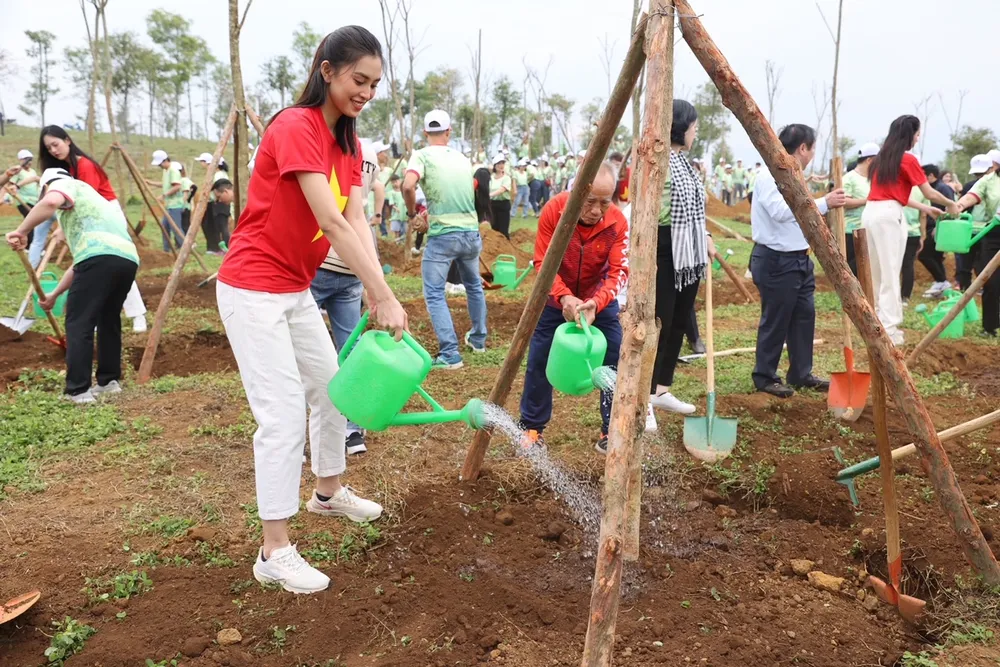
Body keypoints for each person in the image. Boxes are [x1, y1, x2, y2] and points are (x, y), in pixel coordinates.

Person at [216, 25, 406, 594]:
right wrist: (381, 294)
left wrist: (378, 285)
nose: (365, 93)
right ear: (327, 71)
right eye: (358, 80)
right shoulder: (295, 126)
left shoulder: (349, 144)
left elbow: (355, 220)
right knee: (280, 415)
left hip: (295, 288)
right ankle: (274, 550)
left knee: (330, 388)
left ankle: (327, 493)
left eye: (374, 85)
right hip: (253, 287)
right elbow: (328, 220)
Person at [519, 162, 628, 454]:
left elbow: (619, 272)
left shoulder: (617, 222)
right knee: (540, 357)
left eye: (604, 202)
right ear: (575, 191)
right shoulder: (554, 211)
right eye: (589, 201)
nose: (596, 210)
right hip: (555, 298)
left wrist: (598, 302)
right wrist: (564, 297)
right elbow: (542, 262)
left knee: (616, 357)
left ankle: (612, 429)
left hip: (598, 300)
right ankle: (531, 428)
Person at [6, 168, 139, 403]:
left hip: (99, 258)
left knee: (79, 321)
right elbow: (82, 263)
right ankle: (108, 382)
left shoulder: (64, 184)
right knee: (108, 320)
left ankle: (78, 390)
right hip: (126, 259)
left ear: (45, 187)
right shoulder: (94, 201)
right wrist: (55, 294)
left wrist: (22, 230)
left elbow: (51, 202)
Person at [750, 124, 844, 398]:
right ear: (803, 148)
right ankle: (765, 376)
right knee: (776, 319)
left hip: (800, 259)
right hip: (776, 261)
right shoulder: (769, 175)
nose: (812, 154)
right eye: (812, 149)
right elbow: (781, 212)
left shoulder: (794, 175)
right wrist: (824, 203)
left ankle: (801, 373)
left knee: (804, 317)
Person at [309, 138, 385, 457]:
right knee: (350, 349)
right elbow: (363, 206)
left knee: (304, 351)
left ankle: (303, 433)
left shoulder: (326, 144)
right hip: (353, 261)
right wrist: (374, 279)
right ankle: (353, 430)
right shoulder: (368, 154)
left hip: (319, 257)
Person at [646, 100, 715, 431]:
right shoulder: (657, 160)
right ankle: (643, 396)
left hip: (689, 251)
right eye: (694, 127)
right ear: (680, 127)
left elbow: (696, 210)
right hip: (664, 247)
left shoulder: (686, 164)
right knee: (658, 323)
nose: (695, 132)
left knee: (678, 323)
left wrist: (706, 236)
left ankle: (661, 389)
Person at [40, 125, 148, 333]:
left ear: (67, 140)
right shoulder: (68, 170)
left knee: (116, 260)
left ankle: (138, 315)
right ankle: (98, 316)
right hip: (88, 216)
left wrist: (63, 229)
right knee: (92, 267)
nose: (53, 150)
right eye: (49, 148)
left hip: (107, 214)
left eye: (56, 144)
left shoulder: (85, 166)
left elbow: (89, 200)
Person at [402, 109, 488, 369]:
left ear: (425, 133)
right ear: (449, 132)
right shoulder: (462, 158)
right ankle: (478, 340)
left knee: (434, 293)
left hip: (443, 238)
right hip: (470, 233)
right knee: (473, 286)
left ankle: (450, 354)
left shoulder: (421, 155)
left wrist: (412, 214)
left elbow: (408, 185)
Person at [862, 115, 957, 345]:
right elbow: (929, 192)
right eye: (917, 134)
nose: (917, 139)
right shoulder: (907, 159)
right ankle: (889, 329)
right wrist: (951, 204)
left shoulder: (880, 160)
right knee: (890, 271)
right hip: (889, 217)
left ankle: (877, 321)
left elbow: (891, 194)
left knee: (876, 272)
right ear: (910, 135)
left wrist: (925, 208)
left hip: (870, 213)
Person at [955, 149, 1000, 336]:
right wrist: (958, 206)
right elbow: (972, 196)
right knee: (990, 280)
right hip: (994, 233)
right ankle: (990, 327)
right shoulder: (988, 180)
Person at [955, 154, 992, 290]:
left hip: (987, 230)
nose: (980, 176)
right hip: (972, 229)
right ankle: (965, 290)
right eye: (978, 174)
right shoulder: (970, 186)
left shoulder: (994, 186)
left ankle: (983, 288)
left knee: (982, 263)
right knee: (966, 263)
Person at [842, 143, 879, 276]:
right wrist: (867, 200)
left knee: (867, 268)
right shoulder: (849, 178)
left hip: (870, 230)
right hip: (852, 230)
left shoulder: (874, 179)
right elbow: (844, 201)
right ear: (870, 160)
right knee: (853, 268)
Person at [918, 164, 955, 297]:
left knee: (923, 254)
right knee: (935, 256)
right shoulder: (930, 188)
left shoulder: (943, 188)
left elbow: (950, 208)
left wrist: (939, 227)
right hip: (930, 226)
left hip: (937, 227)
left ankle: (941, 281)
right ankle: (941, 283)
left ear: (931, 176)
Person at [7, 150, 43, 262]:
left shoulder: (32, 171)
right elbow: (11, 185)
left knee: (35, 222)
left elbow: (37, 182)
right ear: (21, 160)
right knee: (31, 222)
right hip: (23, 201)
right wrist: (14, 189)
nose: (29, 162)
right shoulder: (18, 172)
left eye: (30, 160)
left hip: (34, 201)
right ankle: (29, 247)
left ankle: (34, 246)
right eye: (26, 160)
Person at [195, 152, 232, 254]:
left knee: (222, 227)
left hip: (219, 203)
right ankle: (221, 247)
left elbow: (216, 188)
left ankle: (225, 247)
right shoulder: (221, 174)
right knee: (221, 226)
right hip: (220, 202)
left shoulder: (218, 175)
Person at [151, 150, 185, 252]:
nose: (159, 166)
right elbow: (165, 184)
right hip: (169, 205)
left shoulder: (173, 170)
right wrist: (151, 183)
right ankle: (166, 250)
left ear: (165, 160)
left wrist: (164, 195)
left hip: (175, 205)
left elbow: (177, 186)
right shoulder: (166, 171)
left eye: (160, 164)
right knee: (165, 227)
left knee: (176, 228)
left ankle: (185, 248)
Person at [901, 185, 926, 305]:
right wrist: (923, 235)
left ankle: (891, 295)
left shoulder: (895, 183)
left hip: (894, 230)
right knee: (908, 264)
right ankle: (905, 296)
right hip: (913, 232)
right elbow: (923, 214)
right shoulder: (921, 188)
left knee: (892, 264)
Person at [488, 154, 512, 238]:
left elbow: (502, 189)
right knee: (494, 228)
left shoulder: (506, 178)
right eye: (499, 163)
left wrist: (489, 195)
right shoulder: (490, 178)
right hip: (493, 204)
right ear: (495, 165)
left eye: (502, 163)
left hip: (503, 204)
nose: (501, 165)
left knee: (503, 230)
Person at [386, 173, 407, 240]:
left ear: (399, 181)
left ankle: (403, 241)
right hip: (396, 213)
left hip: (404, 213)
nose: (395, 184)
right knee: (396, 229)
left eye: (396, 181)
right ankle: (397, 241)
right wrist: (396, 208)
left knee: (405, 229)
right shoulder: (391, 192)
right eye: (393, 182)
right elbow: (391, 203)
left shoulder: (404, 191)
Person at [177, 161, 196, 234]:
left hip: (183, 207)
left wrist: (185, 202)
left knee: (184, 226)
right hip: (185, 206)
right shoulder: (185, 180)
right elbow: (194, 187)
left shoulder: (183, 180)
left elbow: (186, 192)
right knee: (185, 225)